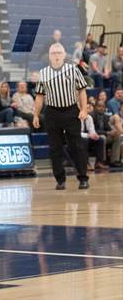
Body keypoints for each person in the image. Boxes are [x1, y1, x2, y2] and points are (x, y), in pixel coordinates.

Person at [33, 43, 89, 190]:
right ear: (49, 56)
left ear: (64, 54)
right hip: (52, 112)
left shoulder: (73, 70)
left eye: (59, 52)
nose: (56, 55)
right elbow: (39, 96)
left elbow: (82, 91)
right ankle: (60, 180)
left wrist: (83, 109)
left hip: (71, 111)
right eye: (53, 53)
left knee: (76, 146)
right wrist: (36, 115)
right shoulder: (43, 73)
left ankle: (83, 178)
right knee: (55, 148)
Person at [91, 100, 122, 167]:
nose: (101, 108)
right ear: (95, 107)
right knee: (103, 137)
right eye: (99, 106)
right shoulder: (92, 116)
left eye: (103, 106)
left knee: (117, 137)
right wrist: (107, 132)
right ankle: (102, 161)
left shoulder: (105, 116)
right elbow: (92, 130)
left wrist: (114, 131)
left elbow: (108, 128)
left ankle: (114, 160)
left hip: (104, 135)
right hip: (93, 136)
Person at [81, 104, 108, 171]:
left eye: (89, 107)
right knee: (85, 140)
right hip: (77, 138)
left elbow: (92, 130)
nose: (88, 109)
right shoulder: (76, 117)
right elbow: (76, 133)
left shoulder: (89, 117)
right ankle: (85, 163)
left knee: (100, 139)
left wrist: (95, 135)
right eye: (87, 107)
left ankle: (99, 162)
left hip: (87, 137)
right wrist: (88, 135)